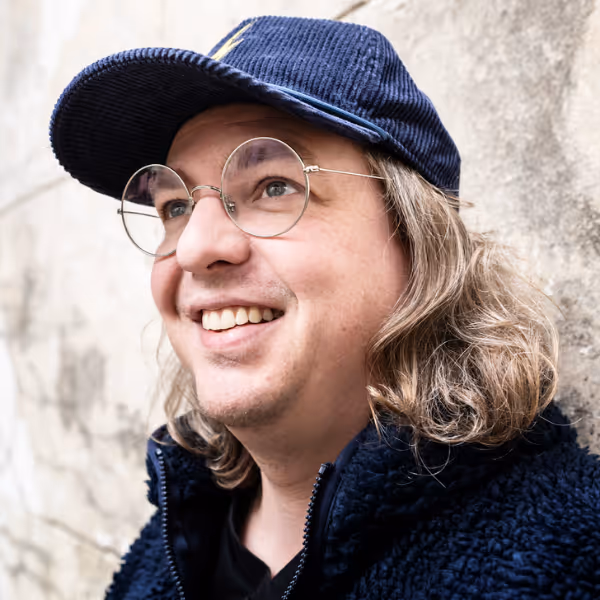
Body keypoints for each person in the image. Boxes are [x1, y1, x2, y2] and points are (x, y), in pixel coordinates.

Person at [49, 15, 599, 600]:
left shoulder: (570, 554)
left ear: (419, 240)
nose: (194, 248)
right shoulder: (163, 551)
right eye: (176, 207)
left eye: (274, 186)